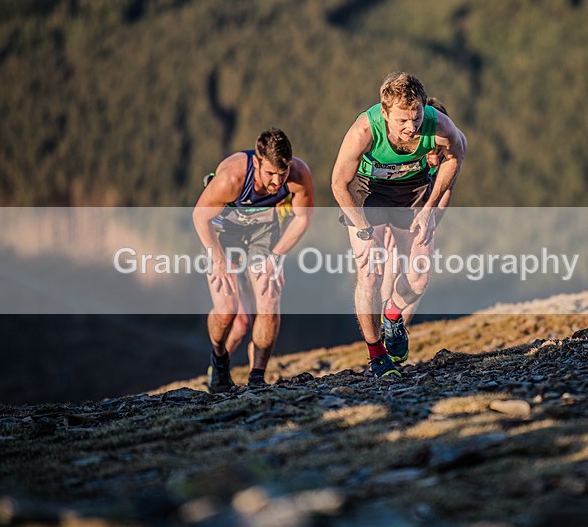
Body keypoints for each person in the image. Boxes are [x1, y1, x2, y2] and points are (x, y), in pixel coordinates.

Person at [331, 72, 466, 378]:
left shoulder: (439, 125)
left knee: (418, 279)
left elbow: (456, 157)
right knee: (371, 272)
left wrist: (429, 210)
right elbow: (338, 183)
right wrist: (362, 229)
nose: (410, 128)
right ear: (385, 113)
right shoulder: (364, 129)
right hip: (368, 191)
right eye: (402, 121)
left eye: (416, 119)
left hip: (412, 189)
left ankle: (393, 315)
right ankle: (377, 355)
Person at [192, 128, 314, 392]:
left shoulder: (298, 175)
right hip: (223, 231)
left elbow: (303, 218)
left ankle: (257, 378)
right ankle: (219, 359)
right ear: (257, 162)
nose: (277, 182)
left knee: (269, 299)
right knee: (228, 310)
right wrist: (218, 259)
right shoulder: (232, 177)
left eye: (282, 173)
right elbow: (200, 217)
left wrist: (276, 257)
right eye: (270, 173)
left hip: (263, 230)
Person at [379, 97, 467, 326]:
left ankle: (400, 330)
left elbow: (447, 192)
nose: (432, 155)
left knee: (418, 275)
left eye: (436, 149)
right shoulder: (409, 144)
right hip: (399, 209)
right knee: (391, 263)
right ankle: (385, 326)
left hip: (425, 209)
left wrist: (430, 221)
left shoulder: (451, 147)